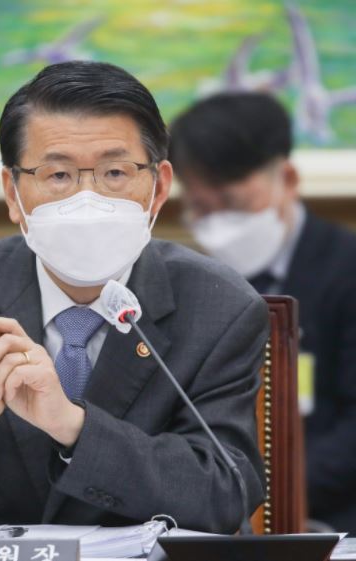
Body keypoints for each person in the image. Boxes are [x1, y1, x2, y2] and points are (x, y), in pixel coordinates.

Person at [0, 62, 268, 536]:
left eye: (114, 172)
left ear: (160, 187)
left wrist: (72, 425)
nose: (87, 199)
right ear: (13, 193)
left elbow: (225, 493)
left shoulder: (220, 305)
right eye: (59, 175)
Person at [169, 91, 356, 533]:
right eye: (198, 207)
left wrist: (266, 498)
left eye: (231, 203)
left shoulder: (347, 270)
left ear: (287, 178)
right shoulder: (187, 282)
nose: (215, 224)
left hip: (333, 518)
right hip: (211, 521)